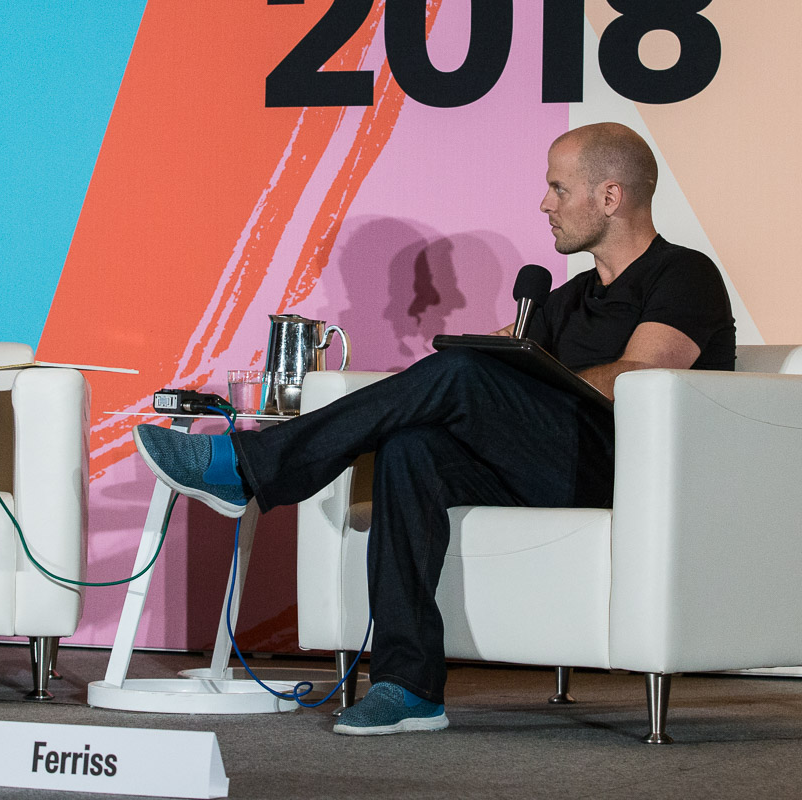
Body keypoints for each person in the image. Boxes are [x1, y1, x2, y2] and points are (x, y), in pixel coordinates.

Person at [132, 122, 735, 735]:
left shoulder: (685, 274)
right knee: (411, 448)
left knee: (465, 373)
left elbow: (638, 378)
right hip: (551, 466)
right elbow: (507, 360)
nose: (544, 204)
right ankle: (409, 686)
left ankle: (248, 465)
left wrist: (495, 378)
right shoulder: (570, 296)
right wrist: (478, 370)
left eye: (559, 188)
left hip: (627, 474)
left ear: (610, 197)